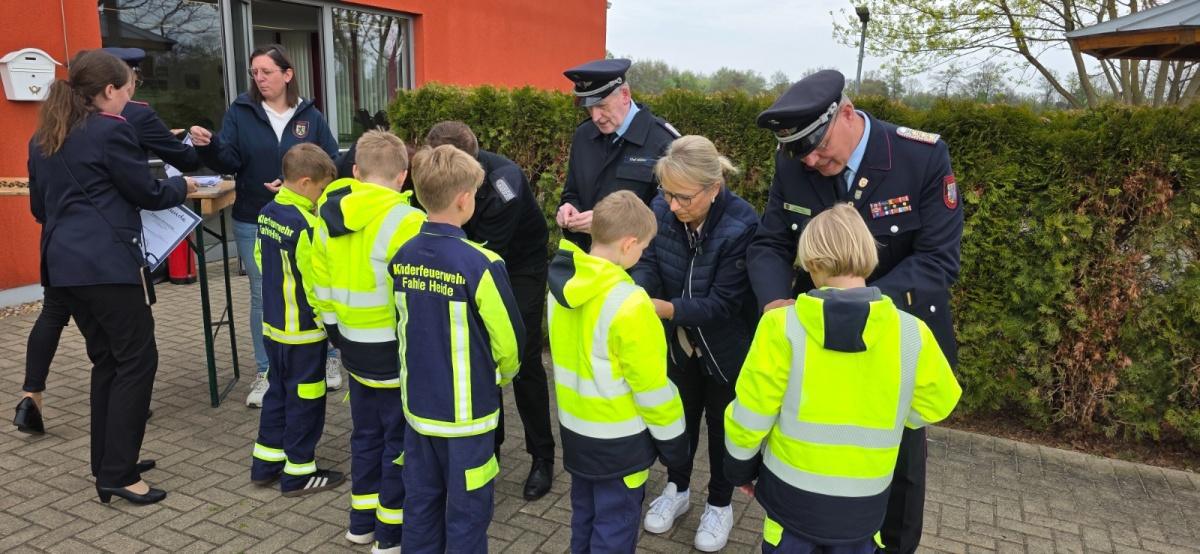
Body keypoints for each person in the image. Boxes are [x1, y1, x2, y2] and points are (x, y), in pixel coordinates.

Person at [746, 69, 964, 553]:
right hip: (816, 346)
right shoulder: (796, 164)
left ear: (847, 114)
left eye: (819, 147)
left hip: (893, 341)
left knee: (901, 470)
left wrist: (861, 309)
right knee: (812, 458)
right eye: (800, 152)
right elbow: (770, 243)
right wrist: (771, 303)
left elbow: (937, 261)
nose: (813, 161)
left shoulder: (919, 156)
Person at [725, 203, 962, 553]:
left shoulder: (781, 326)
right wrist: (893, 417)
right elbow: (937, 404)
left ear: (812, 261)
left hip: (790, 503)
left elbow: (751, 414)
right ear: (868, 255)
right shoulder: (912, 333)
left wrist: (740, 469)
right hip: (865, 508)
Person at [26, 49, 197, 504]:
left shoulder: (44, 135)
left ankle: (108, 461)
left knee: (108, 361)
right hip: (107, 266)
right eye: (126, 90)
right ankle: (118, 473)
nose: (128, 98)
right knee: (137, 361)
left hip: (63, 268)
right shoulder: (110, 131)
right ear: (107, 91)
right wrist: (185, 186)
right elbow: (147, 191)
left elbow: (39, 209)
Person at [188, 44, 341, 408]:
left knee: (317, 285)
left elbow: (331, 160)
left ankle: (330, 359)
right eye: (255, 72)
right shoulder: (241, 111)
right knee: (263, 293)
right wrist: (209, 147)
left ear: (287, 74)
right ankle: (266, 371)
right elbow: (231, 159)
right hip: (255, 218)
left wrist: (298, 185)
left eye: (266, 72)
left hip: (307, 217)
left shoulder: (310, 115)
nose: (259, 79)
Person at [389, 144, 525, 552]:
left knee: (421, 505)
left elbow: (400, 325)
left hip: (418, 412)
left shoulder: (402, 256)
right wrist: (502, 374)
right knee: (467, 514)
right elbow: (510, 342)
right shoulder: (482, 263)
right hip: (468, 418)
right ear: (465, 200)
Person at [629, 136, 760, 552]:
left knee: (723, 429)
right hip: (677, 345)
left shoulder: (743, 224)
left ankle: (720, 503)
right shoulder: (659, 209)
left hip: (725, 348)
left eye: (683, 197)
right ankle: (677, 488)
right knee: (678, 421)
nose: (672, 205)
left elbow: (724, 303)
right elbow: (647, 262)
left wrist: (665, 309)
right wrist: (640, 294)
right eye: (666, 193)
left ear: (713, 188)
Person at [547, 190, 689, 553]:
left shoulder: (562, 288)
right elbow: (652, 388)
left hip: (576, 434)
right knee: (614, 531)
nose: (642, 255)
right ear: (628, 244)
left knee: (584, 520)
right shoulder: (631, 303)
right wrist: (675, 445)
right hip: (620, 446)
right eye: (643, 247)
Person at [424, 121, 556, 501]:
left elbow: (484, 250)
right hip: (469, 261)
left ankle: (542, 456)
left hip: (518, 267)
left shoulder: (505, 183)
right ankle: (491, 448)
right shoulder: (437, 170)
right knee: (480, 354)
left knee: (524, 359)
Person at [310, 130, 425, 553]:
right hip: (396, 352)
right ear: (404, 175)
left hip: (352, 347)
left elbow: (318, 280)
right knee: (399, 445)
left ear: (356, 172)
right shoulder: (409, 221)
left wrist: (334, 330)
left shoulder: (328, 216)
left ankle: (360, 524)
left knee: (365, 436)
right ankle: (390, 536)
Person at [249, 143, 345, 496]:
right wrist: (330, 328)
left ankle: (266, 463)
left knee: (277, 392)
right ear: (305, 182)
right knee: (306, 398)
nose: (321, 196)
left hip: (273, 329)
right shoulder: (307, 224)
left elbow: (260, 260)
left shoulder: (268, 213)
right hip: (303, 333)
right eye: (320, 189)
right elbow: (316, 282)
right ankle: (299, 472)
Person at [556, 58, 680, 250]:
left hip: (637, 265)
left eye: (602, 106)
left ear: (624, 94)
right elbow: (572, 193)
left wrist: (607, 225)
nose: (595, 117)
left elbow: (672, 217)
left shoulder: (664, 143)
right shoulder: (584, 135)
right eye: (589, 108)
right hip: (588, 260)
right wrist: (569, 210)